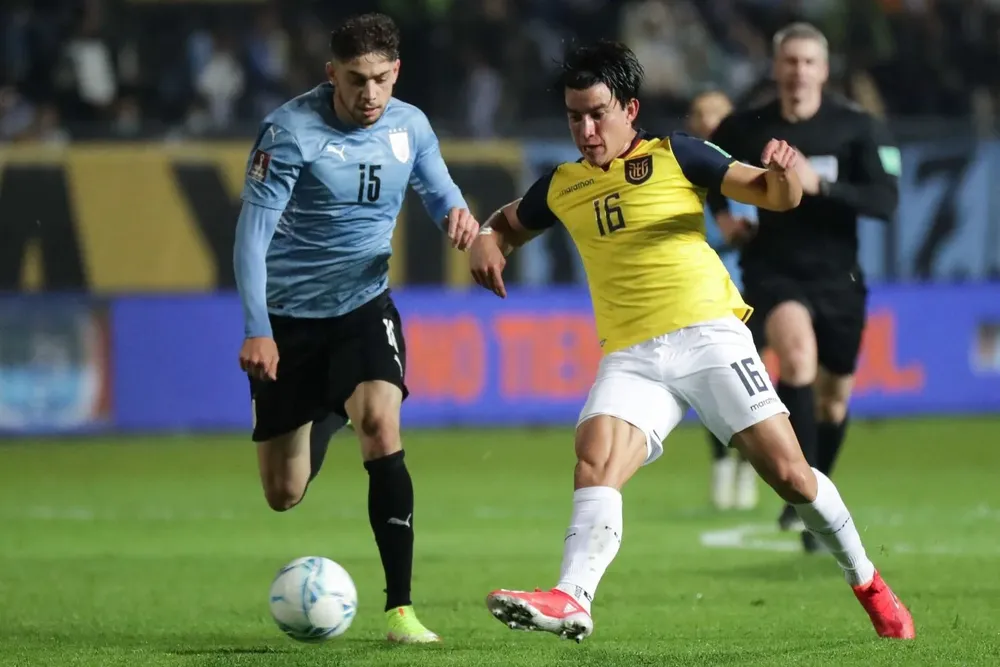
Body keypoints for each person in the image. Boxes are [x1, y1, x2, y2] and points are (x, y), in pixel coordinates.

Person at [469, 40, 913, 643]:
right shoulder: (563, 185)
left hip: (709, 337)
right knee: (594, 458)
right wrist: (487, 239)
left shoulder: (679, 154)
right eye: (575, 116)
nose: (586, 129)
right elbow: (509, 222)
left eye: (598, 113)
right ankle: (572, 597)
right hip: (631, 354)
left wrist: (784, 177)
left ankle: (869, 584)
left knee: (792, 476)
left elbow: (770, 195)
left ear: (629, 107)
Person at [233, 13, 479, 644]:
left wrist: (459, 218)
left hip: (365, 307)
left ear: (396, 71)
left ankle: (401, 610)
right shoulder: (288, 131)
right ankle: (330, 409)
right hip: (290, 323)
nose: (369, 95)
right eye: (354, 80)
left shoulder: (411, 124)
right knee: (283, 494)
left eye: (380, 79)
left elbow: (439, 190)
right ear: (330, 74)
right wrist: (257, 327)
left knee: (381, 425)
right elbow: (251, 236)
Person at [706, 23, 900, 550]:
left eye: (809, 62)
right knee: (796, 361)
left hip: (840, 277)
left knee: (833, 402)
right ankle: (809, 500)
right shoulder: (747, 126)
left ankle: (815, 484)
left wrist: (823, 185)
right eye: (790, 61)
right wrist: (723, 216)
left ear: (824, 69)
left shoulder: (857, 127)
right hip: (773, 269)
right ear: (776, 68)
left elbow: (885, 201)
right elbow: (698, 167)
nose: (798, 72)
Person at [687, 90, 759, 511]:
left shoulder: (748, 171)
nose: (707, 119)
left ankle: (750, 466)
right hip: (706, 293)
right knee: (713, 382)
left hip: (751, 289)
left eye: (716, 112)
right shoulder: (684, 173)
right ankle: (721, 466)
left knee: (755, 379)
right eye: (699, 112)